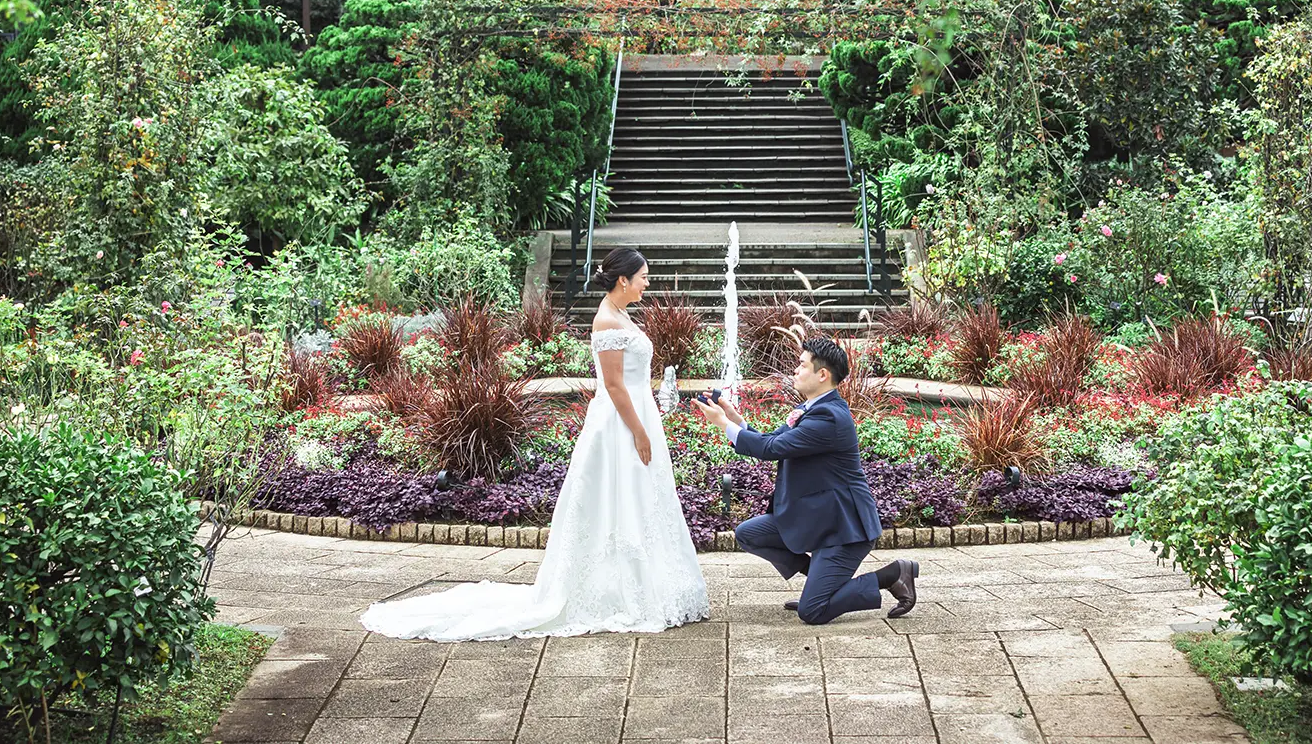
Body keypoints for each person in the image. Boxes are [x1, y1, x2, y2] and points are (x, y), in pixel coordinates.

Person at [361, 248, 709, 640]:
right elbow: (612, 386)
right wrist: (639, 431)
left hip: (637, 412)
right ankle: (617, 590)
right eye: (643, 276)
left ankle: (644, 582)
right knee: (618, 494)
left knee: (639, 497)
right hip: (620, 423)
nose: (647, 282)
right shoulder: (607, 320)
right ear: (623, 280)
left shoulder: (623, 314)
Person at [694, 337, 919, 625]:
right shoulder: (811, 408)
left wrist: (722, 425)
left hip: (844, 530)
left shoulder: (828, 417)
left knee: (812, 611)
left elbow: (771, 450)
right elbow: (774, 440)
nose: (795, 371)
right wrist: (736, 421)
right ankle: (823, 584)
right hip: (818, 519)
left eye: (802, 365)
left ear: (822, 374)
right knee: (749, 533)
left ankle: (892, 574)